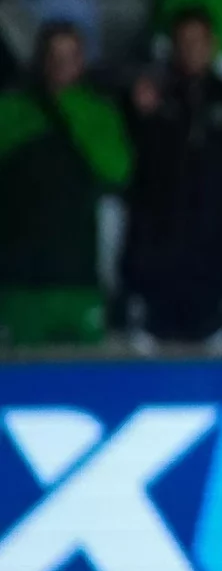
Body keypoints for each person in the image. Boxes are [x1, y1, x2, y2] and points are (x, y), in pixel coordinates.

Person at [120, 7, 222, 345]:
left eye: (198, 42)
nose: (191, 49)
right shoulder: (152, 96)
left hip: (212, 257)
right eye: (183, 42)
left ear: (212, 45)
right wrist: (136, 114)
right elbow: (127, 165)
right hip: (158, 258)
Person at [0, 23, 131, 347]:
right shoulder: (11, 111)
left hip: (78, 277)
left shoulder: (98, 112)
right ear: (39, 60)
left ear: (82, 61)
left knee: (86, 380)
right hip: (20, 281)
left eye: (70, 56)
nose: (61, 65)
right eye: (54, 56)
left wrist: (69, 107)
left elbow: (118, 170)